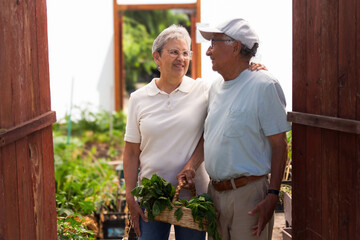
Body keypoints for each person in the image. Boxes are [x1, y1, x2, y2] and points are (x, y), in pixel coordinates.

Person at [192, 18, 291, 240]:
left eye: (214, 43)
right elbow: (210, 137)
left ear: (235, 47)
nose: (208, 51)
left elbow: (279, 145)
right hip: (215, 194)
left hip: (248, 197)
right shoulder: (216, 87)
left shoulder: (264, 85)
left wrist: (273, 195)